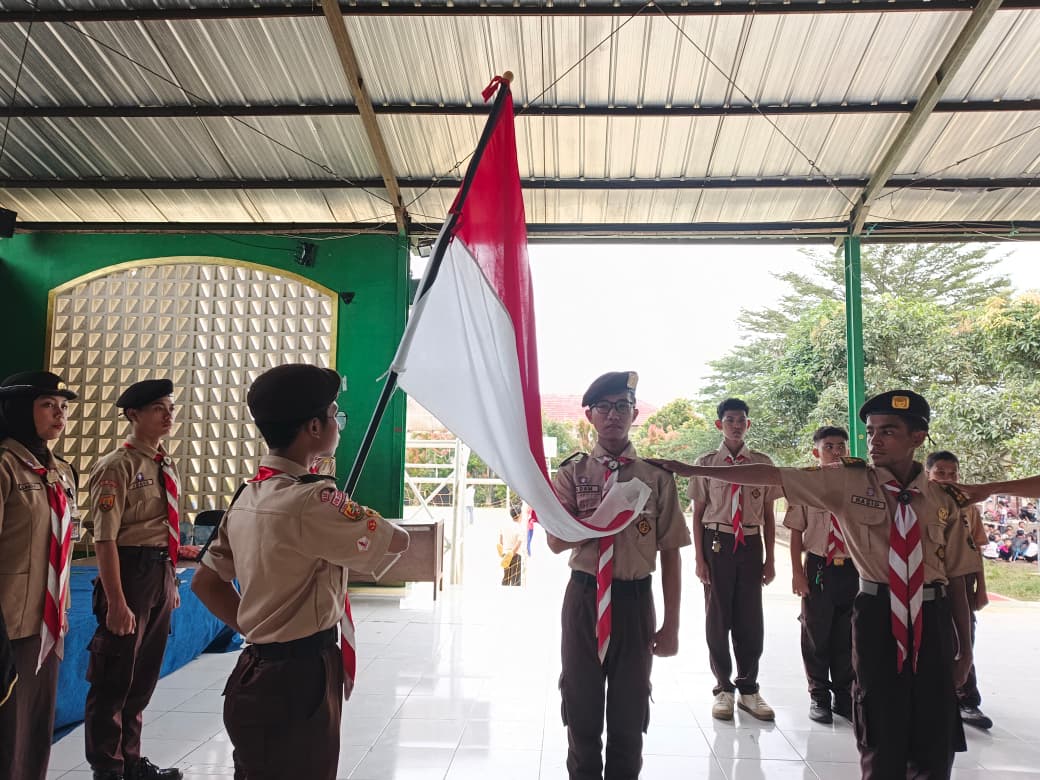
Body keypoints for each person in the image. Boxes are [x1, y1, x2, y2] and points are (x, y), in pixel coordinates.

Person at [653, 390, 966, 779]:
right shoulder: (847, 481)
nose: (874, 441)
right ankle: (752, 687)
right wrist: (694, 470)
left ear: (918, 437)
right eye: (870, 432)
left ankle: (751, 683)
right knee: (878, 725)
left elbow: (955, 579)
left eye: (888, 431)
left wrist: (964, 650)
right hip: (874, 609)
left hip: (931, 614)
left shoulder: (943, 497)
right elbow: (772, 477)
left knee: (934, 734)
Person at [190, 363, 410, 780]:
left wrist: (262, 628)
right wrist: (350, 510)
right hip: (299, 682)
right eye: (335, 415)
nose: (338, 423)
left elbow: (206, 581)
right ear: (313, 427)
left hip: (256, 671)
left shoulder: (247, 495)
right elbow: (397, 540)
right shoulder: (313, 500)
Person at [546, 371, 689, 780]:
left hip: (634, 602)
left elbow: (671, 554)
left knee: (629, 711)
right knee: (581, 705)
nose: (613, 416)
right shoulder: (572, 474)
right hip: (584, 600)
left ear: (635, 414)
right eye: (604, 408)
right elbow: (556, 543)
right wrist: (600, 518)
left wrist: (672, 625)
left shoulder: (656, 477)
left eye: (622, 407)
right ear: (590, 415)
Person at [84, 379, 183, 780]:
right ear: (133, 416)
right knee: (114, 678)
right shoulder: (116, 466)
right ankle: (108, 767)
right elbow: (105, 538)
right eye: (159, 407)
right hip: (128, 571)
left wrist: (171, 581)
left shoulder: (163, 462)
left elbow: (167, 528)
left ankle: (130, 760)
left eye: (170, 407)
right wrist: (117, 601)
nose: (168, 414)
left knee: (141, 677)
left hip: (158, 570)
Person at [0, 371, 79, 780]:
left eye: (64, 407)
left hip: (49, 621)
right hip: (9, 622)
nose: (59, 415)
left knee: (35, 726)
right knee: (8, 727)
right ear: (18, 408)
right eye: (48, 405)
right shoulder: (5, 466)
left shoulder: (61, 471)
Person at [687, 398, 779, 721]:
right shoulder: (706, 463)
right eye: (729, 420)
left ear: (748, 425)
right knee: (718, 616)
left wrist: (769, 560)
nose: (736, 426)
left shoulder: (763, 464)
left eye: (741, 420)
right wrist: (699, 559)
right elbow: (697, 514)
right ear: (719, 425)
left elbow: (768, 514)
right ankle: (723, 688)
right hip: (717, 543)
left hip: (751, 543)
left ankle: (749, 689)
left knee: (750, 618)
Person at [784, 426, 857, 724]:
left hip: (852, 568)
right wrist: (797, 574)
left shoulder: (858, 486)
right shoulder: (807, 485)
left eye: (841, 446)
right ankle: (819, 696)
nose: (836, 452)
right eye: (829, 446)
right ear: (817, 452)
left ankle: (844, 696)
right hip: (818, 567)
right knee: (816, 633)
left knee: (847, 635)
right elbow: (796, 533)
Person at [925, 451, 993, 731]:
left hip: (961, 579)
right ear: (928, 474)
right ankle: (936, 699)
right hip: (931, 579)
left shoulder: (967, 507)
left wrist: (981, 588)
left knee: (964, 637)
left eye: (952, 474)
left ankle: (967, 700)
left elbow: (974, 549)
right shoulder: (920, 503)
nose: (947, 479)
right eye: (940, 473)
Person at [498, 503, 523, 586]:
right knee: (515, 580)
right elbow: (518, 543)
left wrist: (503, 552)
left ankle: (503, 595)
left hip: (505, 553)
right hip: (516, 555)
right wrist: (512, 553)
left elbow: (501, 539)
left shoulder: (505, 525)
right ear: (519, 515)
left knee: (506, 578)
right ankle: (514, 597)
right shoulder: (519, 527)